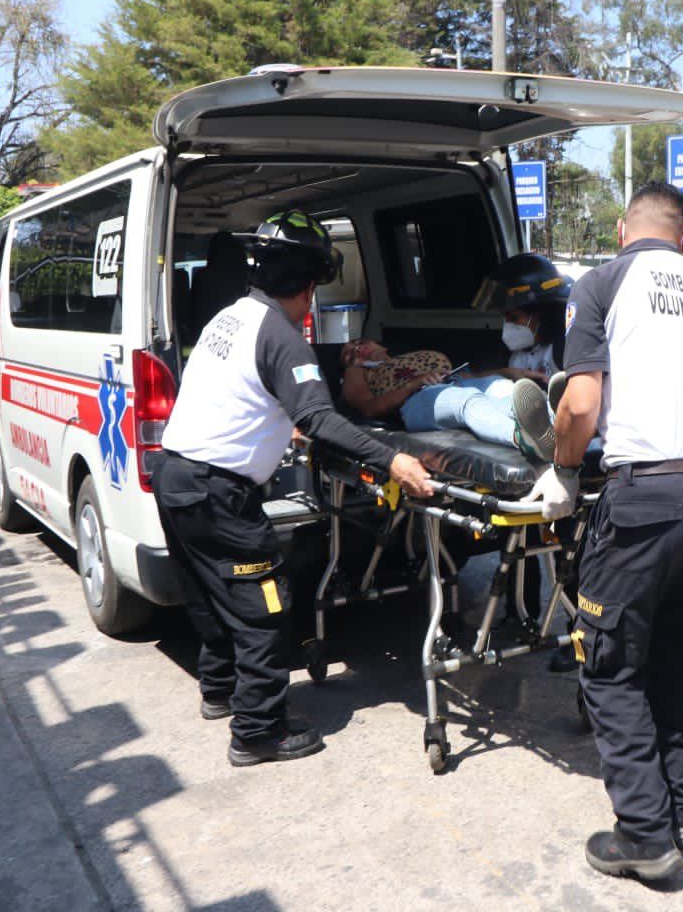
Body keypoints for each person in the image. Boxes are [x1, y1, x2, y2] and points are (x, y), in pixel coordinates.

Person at [525, 181, 683, 884]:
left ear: (626, 231)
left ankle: (646, 835)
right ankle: (678, 809)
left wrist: (565, 469)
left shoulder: (605, 282)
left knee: (611, 668)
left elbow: (581, 401)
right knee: (679, 666)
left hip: (645, 501)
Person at [152, 211, 434, 768]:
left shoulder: (229, 318)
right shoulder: (284, 338)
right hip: (217, 489)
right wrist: (393, 458)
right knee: (263, 606)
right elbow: (320, 418)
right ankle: (257, 731)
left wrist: (334, 372)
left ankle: (220, 692)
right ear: (309, 286)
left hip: (175, 478)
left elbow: (265, 384)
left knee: (212, 595)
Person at [339, 338, 555, 460]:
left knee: (501, 387)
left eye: (359, 343)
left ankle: (559, 423)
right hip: (415, 399)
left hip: (453, 382)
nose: (357, 350)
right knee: (467, 400)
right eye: (350, 354)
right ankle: (522, 439)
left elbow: (467, 377)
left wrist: (505, 372)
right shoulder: (358, 372)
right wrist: (413, 384)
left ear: (381, 345)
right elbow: (368, 408)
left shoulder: (414, 359)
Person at [472, 252, 573, 382]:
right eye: (505, 318)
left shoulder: (565, 350)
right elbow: (471, 377)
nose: (507, 325)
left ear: (543, 316)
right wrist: (504, 373)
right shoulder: (516, 354)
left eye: (514, 318)